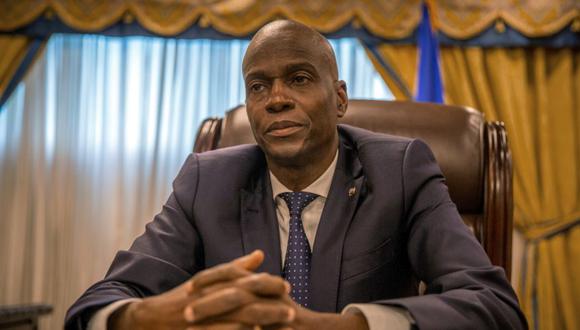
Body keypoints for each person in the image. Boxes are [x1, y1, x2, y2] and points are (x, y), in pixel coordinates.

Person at [65, 20, 527, 330]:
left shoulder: (401, 170)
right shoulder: (208, 180)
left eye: (299, 79)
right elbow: (98, 303)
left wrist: (347, 325)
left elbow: (492, 304)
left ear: (340, 98)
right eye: (258, 86)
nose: (276, 99)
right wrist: (144, 317)